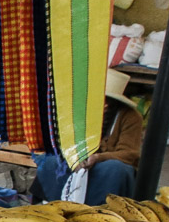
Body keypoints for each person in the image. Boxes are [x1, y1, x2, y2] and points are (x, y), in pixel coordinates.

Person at [33, 69, 147, 204]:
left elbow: (130, 153)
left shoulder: (131, 117)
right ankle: (50, 204)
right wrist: (75, 157)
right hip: (82, 159)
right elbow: (68, 141)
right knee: (52, 161)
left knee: (115, 169)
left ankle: (97, 212)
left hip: (106, 164)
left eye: (107, 101)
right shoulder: (83, 110)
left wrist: (99, 157)